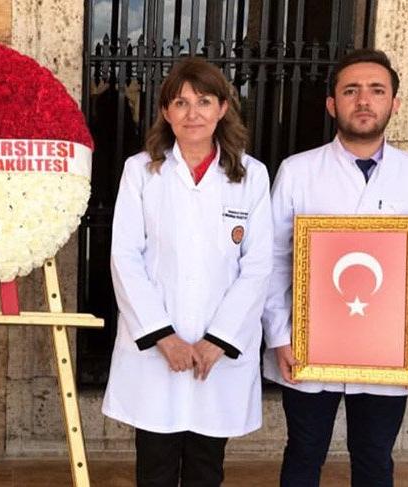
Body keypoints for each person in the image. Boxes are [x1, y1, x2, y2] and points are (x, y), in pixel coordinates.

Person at [261, 49, 408, 487]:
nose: (364, 100)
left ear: (394, 103)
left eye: (376, 91)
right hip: (309, 344)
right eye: (351, 91)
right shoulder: (298, 171)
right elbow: (273, 260)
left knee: (374, 458)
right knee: (304, 453)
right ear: (332, 104)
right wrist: (281, 335)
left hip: (389, 348)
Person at [102, 57, 272, 487]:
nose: (192, 113)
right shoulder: (141, 171)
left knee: (206, 467)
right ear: (165, 111)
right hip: (157, 349)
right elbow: (125, 257)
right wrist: (163, 335)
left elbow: (257, 266)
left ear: (222, 108)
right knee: (155, 466)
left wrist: (219, 340)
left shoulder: (251, 176)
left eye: (204, 101)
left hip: (218, 354)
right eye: (180, 102)